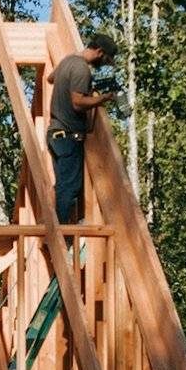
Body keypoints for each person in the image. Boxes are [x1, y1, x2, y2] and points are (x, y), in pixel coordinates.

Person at [46, 33, 116, 226]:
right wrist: (102, 98)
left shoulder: (69, 61)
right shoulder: (81, 69)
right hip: (68, 136)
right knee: (70, 186)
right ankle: (57, 235)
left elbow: (51, 78)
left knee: (62, 186)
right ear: (100, 52)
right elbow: (77, 102)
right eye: (106, 60)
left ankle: (50, 227)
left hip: (55, 134)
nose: (105, 64)